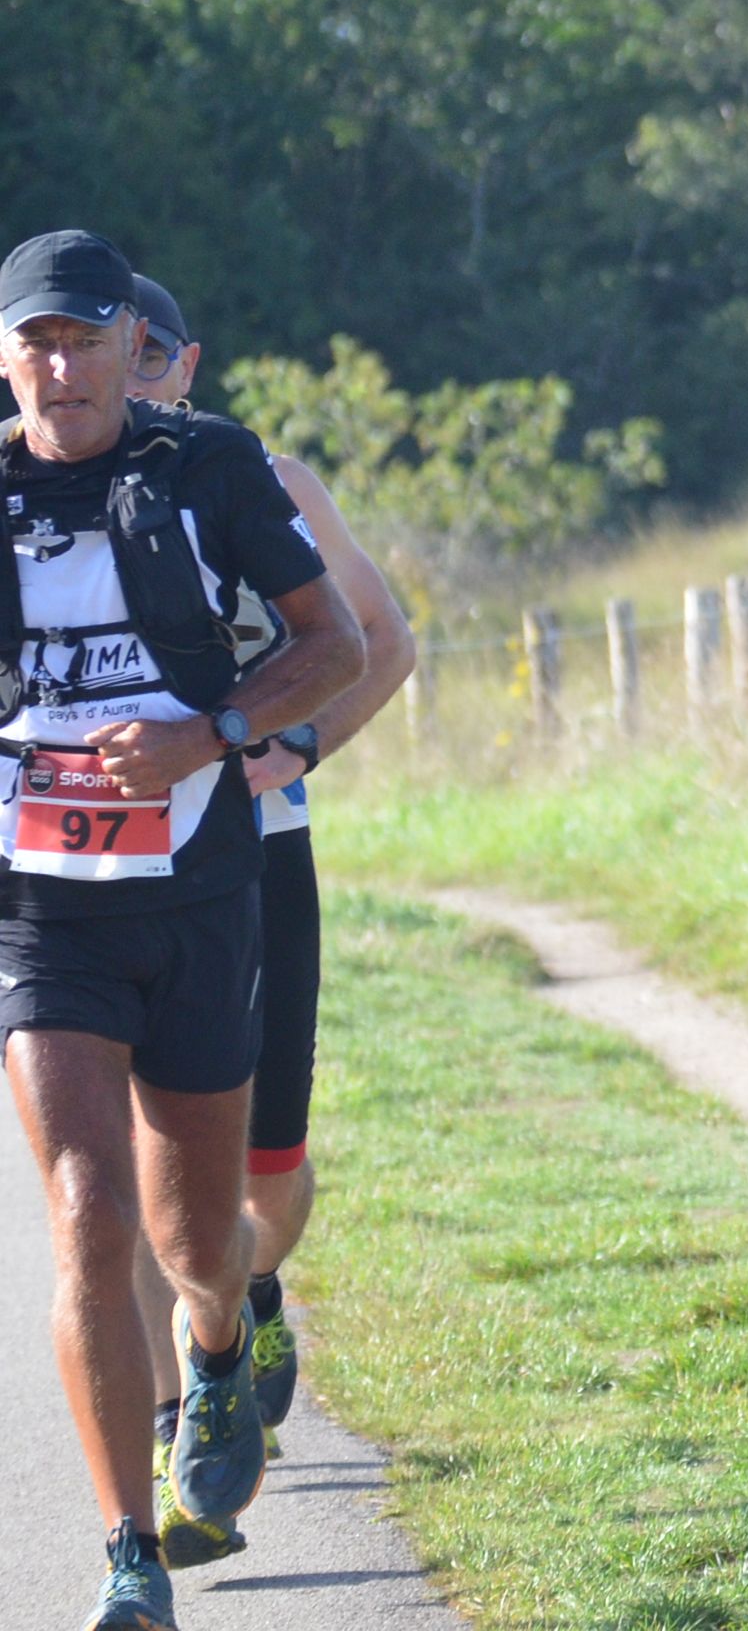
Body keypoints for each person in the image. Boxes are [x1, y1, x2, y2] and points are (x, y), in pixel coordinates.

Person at [0, 230, 364, 1629]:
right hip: (44, 918)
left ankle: (218, 1347)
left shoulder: (210, 469)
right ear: (9, 360)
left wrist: (208, 735)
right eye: (36, 343)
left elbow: (335, 646)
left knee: (197, 1241)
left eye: (85, 340)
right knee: (87, 1217)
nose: (62, 368)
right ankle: (128, 1553)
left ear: (129, 352)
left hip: (200, 901)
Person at [120, 273, 418, 1564]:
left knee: (265, 1174)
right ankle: (182, 1419)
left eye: (149, 359)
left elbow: (383, 641)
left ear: (187, 367)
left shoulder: (269, 482)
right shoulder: (36, 498)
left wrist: (293, 746)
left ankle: (246, 1290)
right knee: (131, 1175)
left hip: (257, 854)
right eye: (102, 352)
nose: (123, 380)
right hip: (98, 882)